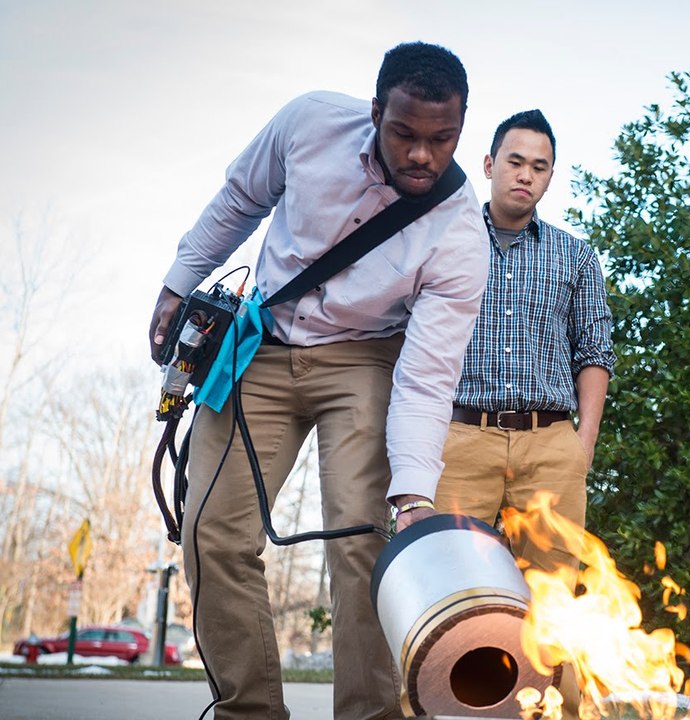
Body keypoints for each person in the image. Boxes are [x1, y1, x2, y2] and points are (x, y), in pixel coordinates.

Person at [146, 42, 488, 720]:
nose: (422, 155)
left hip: (364, 362)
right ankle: (249, 712)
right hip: (258, 348)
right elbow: (239, 200)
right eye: (405, 134)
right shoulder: (308, 124)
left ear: (462, 126)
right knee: (210, 533)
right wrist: (176, 286)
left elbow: (425, 379)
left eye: (442, 139)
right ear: (374, 113)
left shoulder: (458, 235)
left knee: (361, 544)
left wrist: (413, 493)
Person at [434, 109, 615, 575]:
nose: (526, 175)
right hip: (459, 439)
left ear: (550, 177)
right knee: (448, 587)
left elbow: (595, 349)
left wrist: (584, 442)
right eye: (516, 162)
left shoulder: (575, 254)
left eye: (539, 167)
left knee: (551, 604)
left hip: (550, 444)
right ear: (490, 165)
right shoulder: (444, 242)